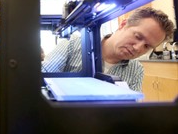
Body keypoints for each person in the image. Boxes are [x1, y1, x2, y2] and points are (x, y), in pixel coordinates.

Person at [42, 7, 175, 92]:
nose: (137, 48)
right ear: (123, 25)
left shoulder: (136, 69)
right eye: (138, 36)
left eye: (147, 46)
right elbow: (39, 80)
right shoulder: (71, 44)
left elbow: (131, 109)